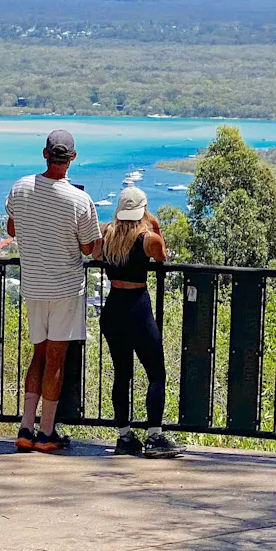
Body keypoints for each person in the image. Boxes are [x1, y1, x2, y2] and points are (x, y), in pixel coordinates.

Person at [6, 129, 101, 453]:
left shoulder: (20, 188)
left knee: (38, 354)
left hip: (33, 285)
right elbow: (89, 248)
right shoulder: (79, 199)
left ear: (45, 154)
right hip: (65, 287)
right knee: (56, 358)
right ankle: (46, 433)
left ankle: (25, 427)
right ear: (72, 159)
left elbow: (11, 227)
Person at [99, 186, 183, 458]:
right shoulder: (148, 239)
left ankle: (124, 436)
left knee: (122, 374)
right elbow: (162, 255)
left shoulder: (106, 234)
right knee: (156, 373)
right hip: (137, 307)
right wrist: (153, 222)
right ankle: (155, 436)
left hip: (113, 308)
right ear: (143, 210)